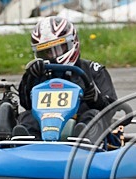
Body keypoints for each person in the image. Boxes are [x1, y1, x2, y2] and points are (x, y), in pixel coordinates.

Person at [12, 15, 119, 144]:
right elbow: (26, 104)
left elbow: (111, 108)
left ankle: (83, 141)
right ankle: (25, 145)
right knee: (27, 117)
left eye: (57, 49)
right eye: (46, 52)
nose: (53, 56)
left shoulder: (93, 70)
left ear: (73, 43)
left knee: (92, 116)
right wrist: (30, 77)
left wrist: (96, 98)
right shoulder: (38, 73)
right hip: (44, 124)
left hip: (80, 124)